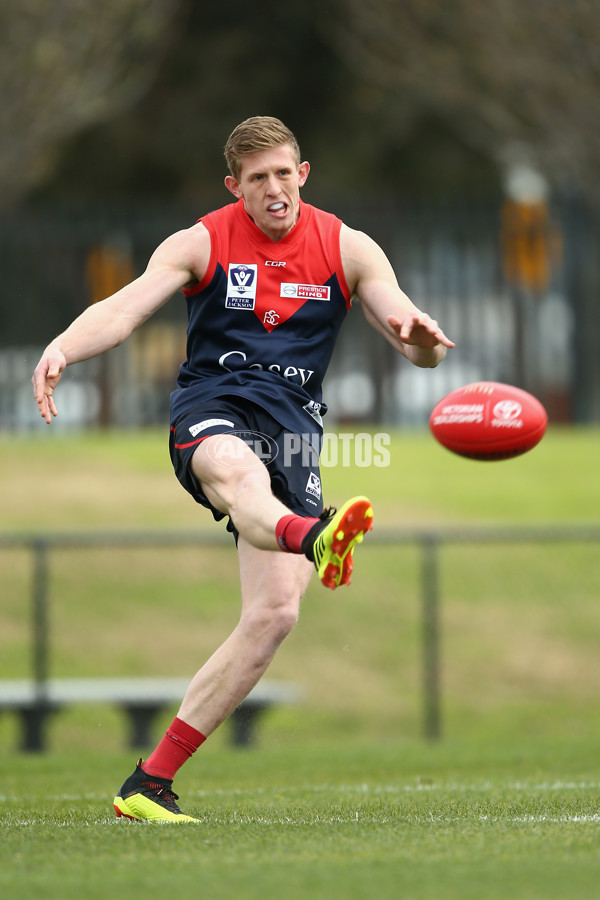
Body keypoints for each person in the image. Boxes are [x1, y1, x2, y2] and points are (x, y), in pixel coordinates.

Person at [32, 116, 454, 823]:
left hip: (296, 431)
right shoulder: (201, 241)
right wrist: (64, 349)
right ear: (236, 187)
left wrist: (426, 345)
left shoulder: (347, 246)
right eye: (257, 179)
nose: (274, 188)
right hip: (214, 408)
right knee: (240, 478)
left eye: (284, 173)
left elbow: (408, 331)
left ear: (304, 173)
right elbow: (126, 306)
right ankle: (313, 537)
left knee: (273, 615)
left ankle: (147, 785)